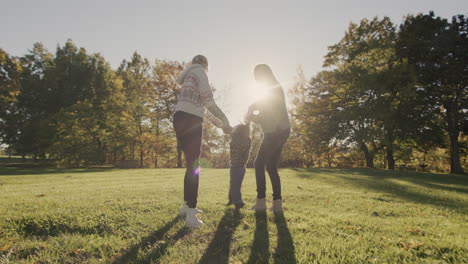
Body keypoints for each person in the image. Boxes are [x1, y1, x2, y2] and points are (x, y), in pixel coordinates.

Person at [173, 55, 231, 228]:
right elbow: (208, 101)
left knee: (190, 165)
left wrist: (219, 125)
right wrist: (225, 119)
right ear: (206, 65)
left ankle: (186, 207)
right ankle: (191, 216)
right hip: (191, 120)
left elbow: (202, 109)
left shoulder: (189, 77)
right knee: (195, 166)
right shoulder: (201, 72)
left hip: (179, 117)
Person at [245, 64, 290, 213]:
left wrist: (252, 116)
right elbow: (262, 110)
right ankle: (277, 204)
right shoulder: (271, 88)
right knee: (271, 166)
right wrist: (251, 111)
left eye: (258, 75)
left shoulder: (272, 89)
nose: (256, 79)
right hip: (280, 131)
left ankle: (261, 202)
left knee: (259, 163)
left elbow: (267, 115)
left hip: (276, 132)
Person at [227, 122, 252, 208]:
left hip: (238, 166)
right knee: (235, 184)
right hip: (239, 166)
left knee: (235, 184)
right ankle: (236, 201)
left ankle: (234, 200)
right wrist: (247, 124)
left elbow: (232, 132)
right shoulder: (247, 140)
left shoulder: (239, 140)